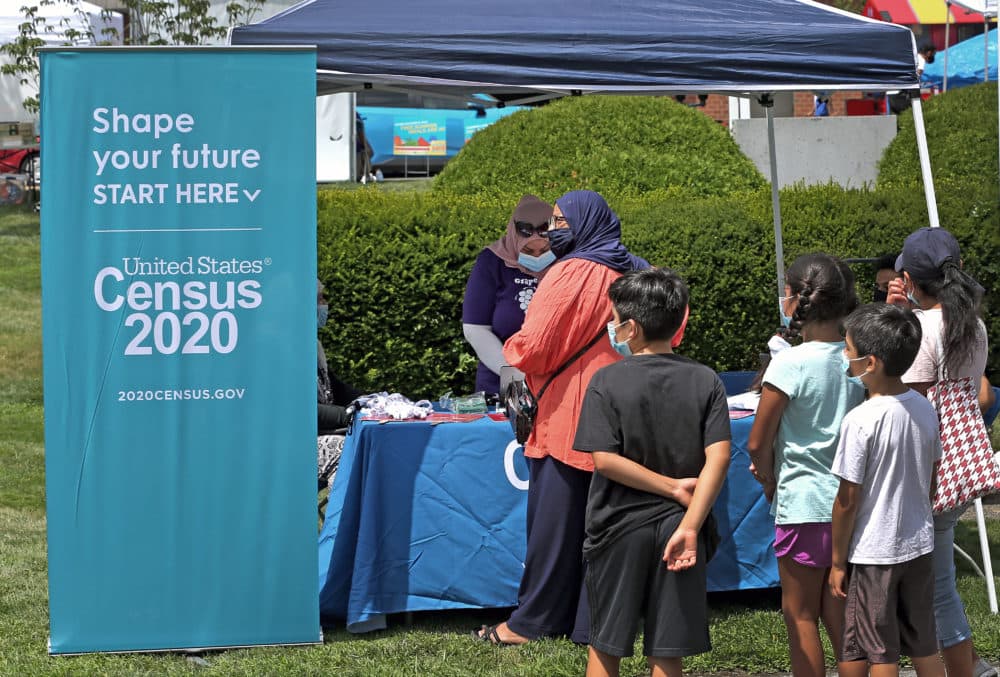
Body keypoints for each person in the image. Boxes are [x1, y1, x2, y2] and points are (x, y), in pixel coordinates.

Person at [471, 190, 656, 646]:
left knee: (555, 529)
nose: (553, 229)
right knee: (610, 528)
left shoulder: (570, 272)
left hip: (567, 416)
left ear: (582, 222)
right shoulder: (643, 270)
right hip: (628, 417)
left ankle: (531, 623)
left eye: (558, 220)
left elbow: (533, 343)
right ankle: (595, 624)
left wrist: (513, 355)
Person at [573, 267, 731, 677]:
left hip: (617, 526)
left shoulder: (605, 381)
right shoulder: (705, 380)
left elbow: (604, 460)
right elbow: (719, 458)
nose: (610, 327)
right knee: (667, 649)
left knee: (606, 644)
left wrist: (670, 488)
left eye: (613, 320)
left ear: (632, 328)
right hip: (681, 525)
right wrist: (691, 522)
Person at [746, 253, 865, 677]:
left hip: (801, 504)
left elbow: (757, 441)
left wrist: (766, 476)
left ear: (796, 298)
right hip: (850, 503)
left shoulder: (789, 363)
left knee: (800, 616)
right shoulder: (859, 361)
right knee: (841, 617)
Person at [887, 226, 994, 677]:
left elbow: (905, 399)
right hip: (960, 461)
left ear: (908, 280)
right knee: (935, 579)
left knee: (936, 587)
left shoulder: (918, 329)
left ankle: (969, 670)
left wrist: (895, 323)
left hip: (926, 465)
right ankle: (973, 666)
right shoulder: (973, 324)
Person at [829, 303, 944, 677]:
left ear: (871, 362)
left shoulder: (860, 420)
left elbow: (847, 499)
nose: (845, 357)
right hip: (919, 545)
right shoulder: (924, 408)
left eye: (848, 349)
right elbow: (931, 476)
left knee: (880, 651)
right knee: (924, 641)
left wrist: (836, 561)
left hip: (874, 552)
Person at [462, 195, 554, 395]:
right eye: (529, 250)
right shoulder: (492, 262)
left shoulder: (566, 262)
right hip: (501, 381)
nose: (538, 256)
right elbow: (475, 329)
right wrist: (515, 377)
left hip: (555, 383)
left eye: (545, 249)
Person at [317, 279, 360, 489]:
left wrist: (373, 402)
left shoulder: (312, 345)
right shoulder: (277, 349)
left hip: (321, 433)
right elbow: (299, 411)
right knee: (346, 449)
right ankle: (344, 521)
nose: (325, 304)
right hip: (284, 448)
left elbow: (336, 387)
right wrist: (350, 414)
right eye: (319, 299)